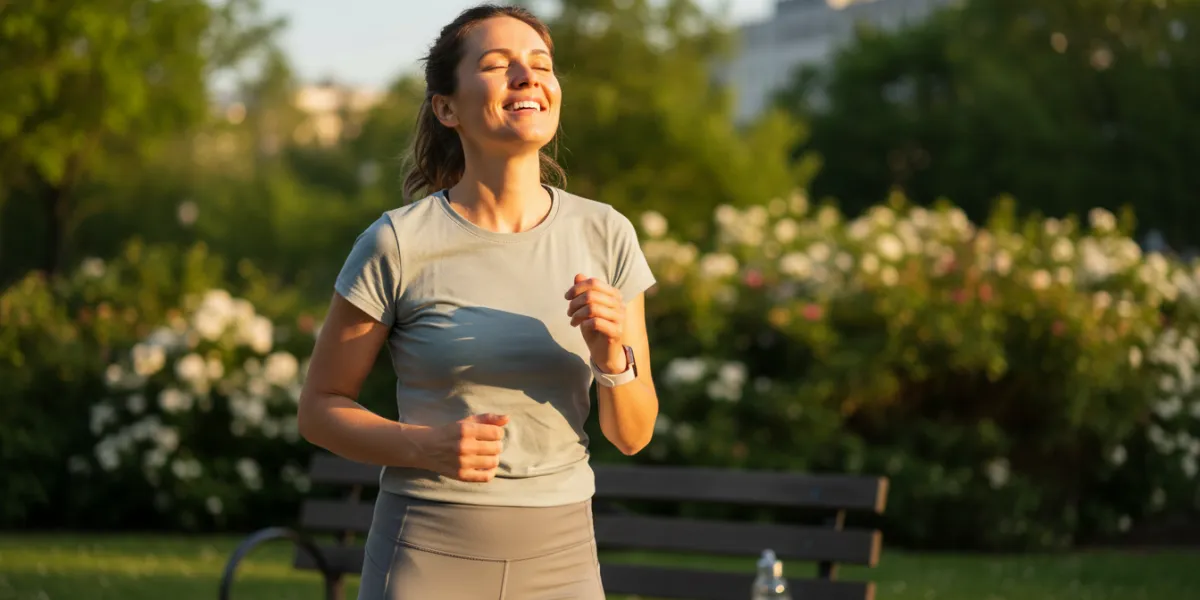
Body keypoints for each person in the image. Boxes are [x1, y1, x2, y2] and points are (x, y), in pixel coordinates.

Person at [295, 4, 660, 599]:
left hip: (563, 559)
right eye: (497, 65)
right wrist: (424, 445)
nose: (527, 77)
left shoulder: (606, 234)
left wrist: (612, 358)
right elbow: (319, 408)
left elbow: (634, 434)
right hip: (427, 553)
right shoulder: (397, 242)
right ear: (447, 108)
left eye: (540, 64)